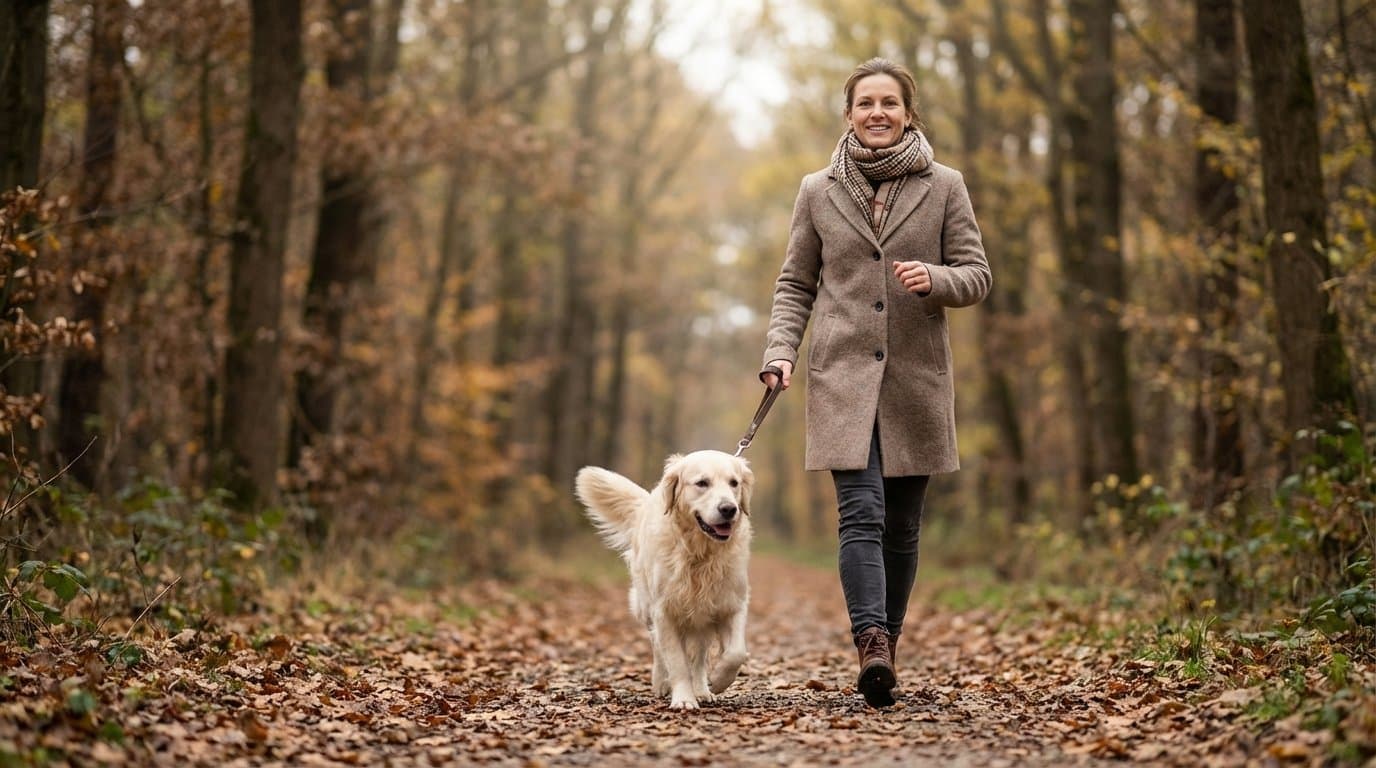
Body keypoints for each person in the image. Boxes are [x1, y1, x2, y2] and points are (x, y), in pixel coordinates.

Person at [759, 57, 992, 708]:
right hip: (841, 377)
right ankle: (872, 645)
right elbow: (794, 284)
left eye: (890, 103)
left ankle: (885, 644)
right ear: (849, 114)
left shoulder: (946, 185)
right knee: (860, 514)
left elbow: (977, 273)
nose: (878, 113)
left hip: (917, 379)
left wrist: (937, 280)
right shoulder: (816, 190)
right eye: (866, 103)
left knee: (903, 528)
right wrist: (781, 353)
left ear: (908, 113)